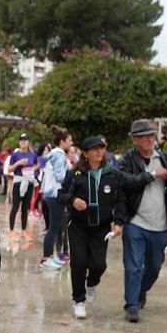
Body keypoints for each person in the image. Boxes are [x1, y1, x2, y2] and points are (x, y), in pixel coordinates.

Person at [118, 119, 167, 323]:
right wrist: (150, 175)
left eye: (152, 135)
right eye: (144, 136)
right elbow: (123, 181)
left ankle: (141, 291)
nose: (150, 139)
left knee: (155, 266)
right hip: (135, 222)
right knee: (133, 267)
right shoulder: (128, 160)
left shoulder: (164, 159)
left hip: (159, 224)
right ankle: (132, 305)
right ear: (135, 140)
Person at [58, 136, 125, 319]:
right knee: (78, 262)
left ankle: (92, 283)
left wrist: (119, 223)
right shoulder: (75, 174)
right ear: (85, 154)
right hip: (78, 225)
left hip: (101, 227)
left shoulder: (113, 174)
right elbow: (61, 195)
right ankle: (79, 300)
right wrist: (73, 200)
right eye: (94, 149)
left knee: (98, 264)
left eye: (101, 148)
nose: (99, 152)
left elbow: (120, 200)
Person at [40, 128, 73, 270]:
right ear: (62, 142)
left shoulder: (53, 154)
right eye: (70, 140)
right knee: (53, 229)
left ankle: (49, 257)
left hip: (50, 194)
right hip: (55, 195)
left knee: (53, 228)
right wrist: (72, 176)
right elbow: (60, 176)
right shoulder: (59, 155)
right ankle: (46, 258)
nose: (72, 143)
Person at [7, 133, 39, 241]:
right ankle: (11, 231)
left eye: (25, 140)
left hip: (29, 182)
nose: (23, 142)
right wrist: (19, 163)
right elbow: (9, 170)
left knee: (25, 208)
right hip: (18, 183)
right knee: (15, 207)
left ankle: (24, 231)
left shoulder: (32, 154)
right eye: (21, 140)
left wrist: (32, 169)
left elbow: (37, 164)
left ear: (28, 142)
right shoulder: (15, 155)